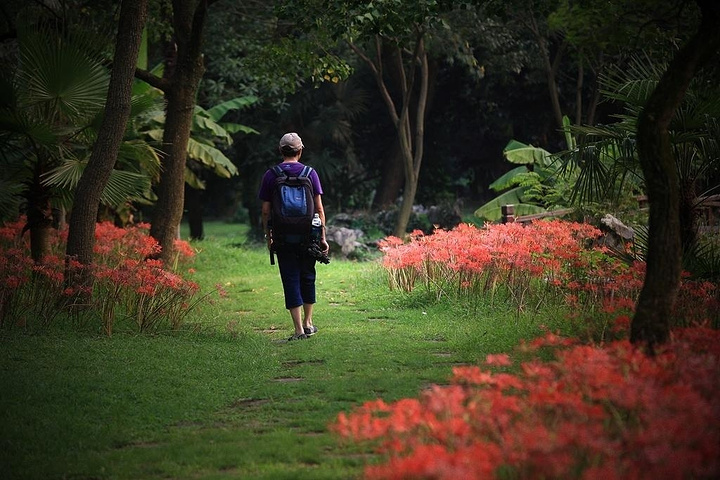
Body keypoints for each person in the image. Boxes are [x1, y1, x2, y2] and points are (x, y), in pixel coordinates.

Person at [259, 132, 330, 341]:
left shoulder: (271, 174)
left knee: (290, 277)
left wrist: (268, 235)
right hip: (309, 236)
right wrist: (323, 236)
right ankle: (309, 323)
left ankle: (298, 329)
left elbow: (265, 210)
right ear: (300, 151)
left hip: (282, 237)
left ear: (281, 151)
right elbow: (318, 208)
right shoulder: (310, 173)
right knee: (308, 276)